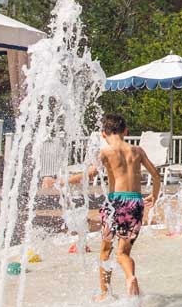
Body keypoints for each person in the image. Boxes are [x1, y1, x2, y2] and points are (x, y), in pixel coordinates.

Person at [66, 113, 161, 300]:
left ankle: (105, 293)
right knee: (123, 252)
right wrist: (154, 196)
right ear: (125, 131)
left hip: (114, 203)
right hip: (135, 202)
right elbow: (156, 176)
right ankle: (130, 277)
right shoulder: (137, 151)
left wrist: (63, 181)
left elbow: (89, 175)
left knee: (105, 250)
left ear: (103, 134)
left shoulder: (105, 152)